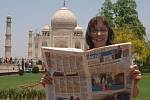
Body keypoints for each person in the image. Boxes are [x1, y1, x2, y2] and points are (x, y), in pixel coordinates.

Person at [41, 16, 141, 99]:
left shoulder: (121, 55)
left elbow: (134, 94)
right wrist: (49, 82)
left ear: (108, 32)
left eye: (103, 30)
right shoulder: (81, 58)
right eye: (94, 31)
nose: (99, 34)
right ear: (89, 33)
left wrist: (134, 82)